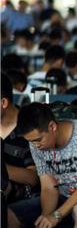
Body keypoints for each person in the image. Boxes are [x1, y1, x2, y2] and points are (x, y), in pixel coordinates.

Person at [1, 72, 39, 203]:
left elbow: (33, 177)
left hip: (22, 201)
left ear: (3, 103)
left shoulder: (30, 128)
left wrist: (2, 170)